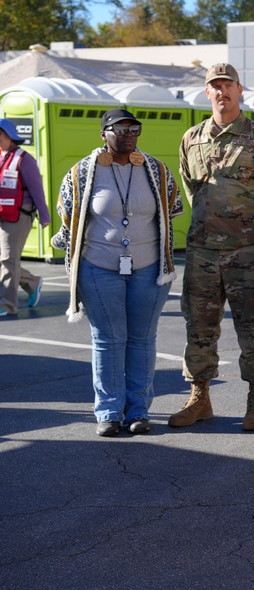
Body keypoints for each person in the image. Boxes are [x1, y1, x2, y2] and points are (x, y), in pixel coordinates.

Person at [51, 109, 183, 436]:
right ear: (103, 134)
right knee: (108, 340)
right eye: (119, 128)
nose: (128, 133)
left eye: (133, 128)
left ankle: (138, 411)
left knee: (141, 340)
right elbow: (69, 217)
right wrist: (63, 244)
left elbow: (173, 208)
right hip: (99, 268)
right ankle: (108, 412)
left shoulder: (156, 170)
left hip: (149, 269)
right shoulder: (82, 172)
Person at [170, 63, 254, 431]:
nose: (222, 92)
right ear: (207, 93)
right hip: (202, 251)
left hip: (248, 252)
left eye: (228, 85)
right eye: (215, 86)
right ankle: (200, 399)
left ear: (240, 89)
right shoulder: (191, 138)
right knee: (198, 328)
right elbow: (191, 190)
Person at [0, 119, 49, 317]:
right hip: (3, 215)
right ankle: (32, 282)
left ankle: (7, 304)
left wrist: (44, 216)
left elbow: (37, 190)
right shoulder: (1, 156)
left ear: (10, 136)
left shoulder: (24, 159)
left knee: (7, 259)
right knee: (6, 260)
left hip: (19, 216)